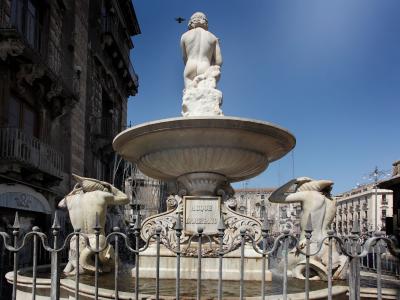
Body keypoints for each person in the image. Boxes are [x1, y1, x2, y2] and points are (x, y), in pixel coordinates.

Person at [180, 12, 222, 88]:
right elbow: (219, 61)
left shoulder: (184, 36)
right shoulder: (213, 37)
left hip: (190, 66)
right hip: (205, 66)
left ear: (191, 22)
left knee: (190, 95)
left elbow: (184, 58)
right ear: (205, 22)